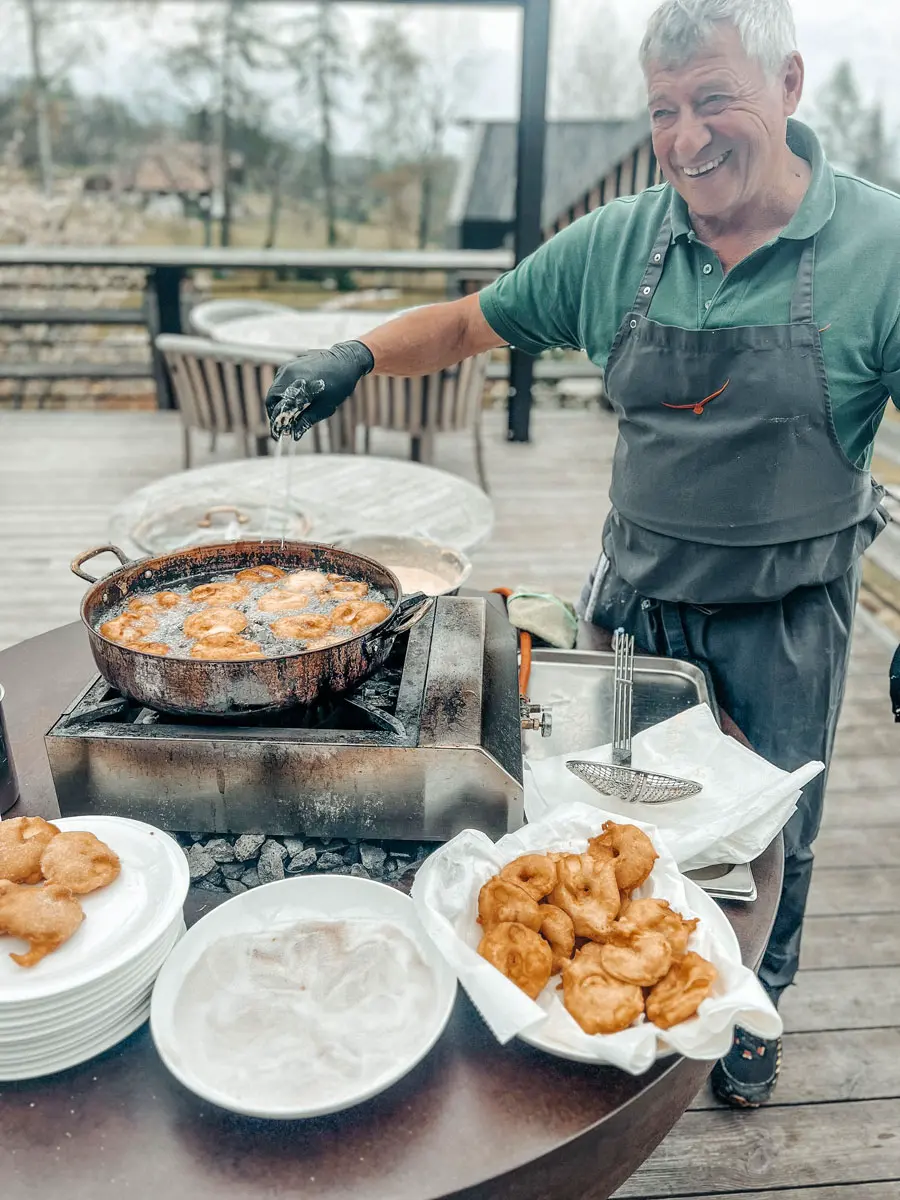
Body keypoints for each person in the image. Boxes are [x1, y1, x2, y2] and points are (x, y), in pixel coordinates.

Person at [265, 0, 900, 1107]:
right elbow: (469, 323)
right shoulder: (623, 241)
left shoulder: (881, 248)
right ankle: (615, 997)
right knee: (608, 816)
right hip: (635, 595)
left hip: (785, 617)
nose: (687, 136)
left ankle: (754, 1008)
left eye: (714, 100)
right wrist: (354, 352)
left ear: (790, 86)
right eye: (665, 110)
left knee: (763, 839)